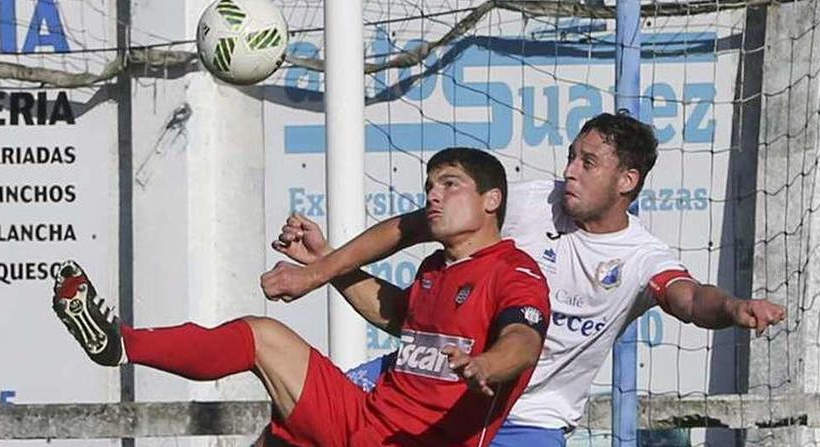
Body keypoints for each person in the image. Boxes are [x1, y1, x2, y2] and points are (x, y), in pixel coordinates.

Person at [261, 111, 787, 446]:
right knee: (289, 431)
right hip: (427, 379)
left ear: (627, 181)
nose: (570, 171)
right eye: (570, 157)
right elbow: (409, 230)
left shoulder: (641, 257)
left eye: (589, 162)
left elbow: (690, 298)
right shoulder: (527, 203)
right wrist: (320, 269)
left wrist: (734, 308)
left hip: (527, 418)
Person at [53, 147, 551, 447]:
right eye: (429, 186)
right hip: (364, 419)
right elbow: (396, 315)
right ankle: (121, 344)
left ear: (492, 200)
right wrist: (324, 262)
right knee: (260, 335)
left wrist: (487, 364)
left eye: (450, 184)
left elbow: (524, 340)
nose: (433, 196)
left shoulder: (515, 272)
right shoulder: (434, 268)